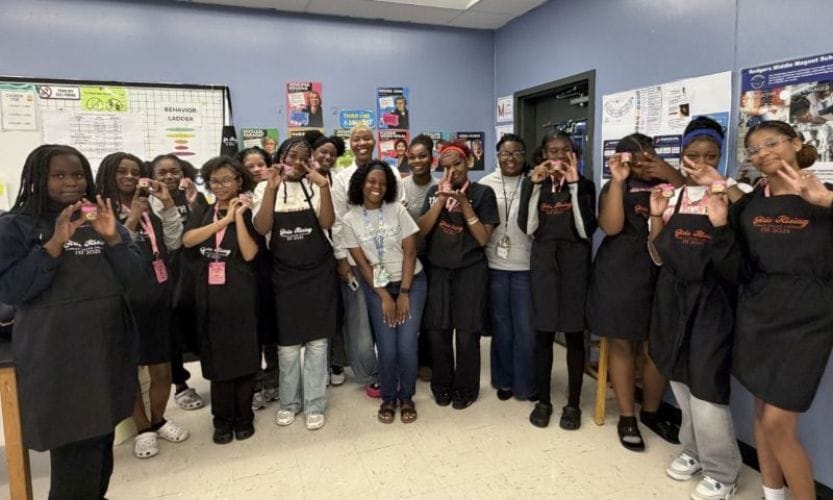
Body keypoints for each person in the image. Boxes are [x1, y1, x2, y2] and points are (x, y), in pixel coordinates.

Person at [0, 145, 144, 498]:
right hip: (58, 356)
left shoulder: (101, 218)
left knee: (102, 444)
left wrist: (113, 238)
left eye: (78, 174)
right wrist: (52, 246)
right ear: (37, 179)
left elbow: (136, 280)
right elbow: (12, 290)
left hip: (108, 347)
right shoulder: (15, 226)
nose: (71, 183)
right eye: (59, 175)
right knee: (74, 454)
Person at [730, 120, 833, 500]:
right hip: (759, 313)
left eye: (771, 143)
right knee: (761, 410)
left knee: (777, 420)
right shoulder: (750, 204)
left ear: (795, 143)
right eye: (754, 150)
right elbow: (739, 264)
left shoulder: (824, 194)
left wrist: (825, 202)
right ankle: (773, 493)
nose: (763, 153)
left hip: (809, 318)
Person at [646, 117, 746, 499]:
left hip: (713, 301)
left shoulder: (736, 195)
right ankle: (694, 450)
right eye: (692, 155)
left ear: (720, 156)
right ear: (681, 155)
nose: (701, 162)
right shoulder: (671, 197)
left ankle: (724, 469)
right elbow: (657, 254)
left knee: (706, 389)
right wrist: (656, 216)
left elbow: (739, 258)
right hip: (672, 297)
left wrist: (721, 188)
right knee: (679, 381)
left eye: (710, 156)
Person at [588, 133, 684, 451]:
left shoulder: (668, 182)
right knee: (622, 343)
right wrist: (618, 181)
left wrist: (664, 169)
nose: (643, 163)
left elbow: (693, 194)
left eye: (649, 156)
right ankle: (627, 416)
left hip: (663, 272)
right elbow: (611, 227)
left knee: (658, 346)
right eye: (635, 158)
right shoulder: (616, 186)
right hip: (620, 273)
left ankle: (651, 413)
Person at [96, 153, 190, 459]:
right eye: (122, 171)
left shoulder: (152, 208)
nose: (130, 176)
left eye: (136, 172)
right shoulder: (99, 210)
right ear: (109, 174)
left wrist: (167, 205)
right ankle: (142, 428)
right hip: (124, 301)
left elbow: (174, 242)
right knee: (133, 371)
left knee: (162, 368)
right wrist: (133, 215)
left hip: (157, 297)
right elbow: (110, 250)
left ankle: (159, 418)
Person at [253, 137, 336, 430]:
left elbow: (326, 223)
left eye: (303, 158)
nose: (296, 163)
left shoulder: (316, 184)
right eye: (291, 156)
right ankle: (290, 402)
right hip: (284, 275)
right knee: (287, 346)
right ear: (280, 157)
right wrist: (272, 190)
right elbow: (262, 227)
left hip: (317, 273)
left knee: (317, 343)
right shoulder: (265, 187)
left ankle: (315, 403)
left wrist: (324, 186)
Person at [518, 132, 597, 429]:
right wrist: (536, 187)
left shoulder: (585, 185)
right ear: (543, 154)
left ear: (574, 153)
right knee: (544, 334)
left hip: (575, 264)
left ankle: (573, 403)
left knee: (575, 335)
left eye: (566, 149)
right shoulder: (533, 182)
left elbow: (586, 229)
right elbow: (528, 226)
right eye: (553, 150)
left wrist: (574, 186)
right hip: (543, 264)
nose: (560, 155)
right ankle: (544, 400)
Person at [182, 156, 260, 444]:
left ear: (239, 181)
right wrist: (223, 221)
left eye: (227, 179)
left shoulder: (250, 210)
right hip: (210, 295)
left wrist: (237, 218)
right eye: (215, 180)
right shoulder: (204, 209)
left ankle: (244, 418)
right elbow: (188, 240)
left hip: (240, 293)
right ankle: (222, 420)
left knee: (244, 355)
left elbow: (250, 253)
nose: (221, 185)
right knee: (217, 359)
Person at [342, 161, 427, 423]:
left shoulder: (397, 211)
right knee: (387, 347)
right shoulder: (349, 219)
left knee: (407, 345)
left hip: (411, 282)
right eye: (371, 181)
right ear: (360, 184)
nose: (377, 186)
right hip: (377, 287)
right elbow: (363, 264)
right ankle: (389, 398)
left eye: (382, 182)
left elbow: (410, 252)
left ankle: (407, 397)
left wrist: (403, 292)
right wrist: (384, 296)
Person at [418, 142, 499, 409]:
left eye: (458, 164)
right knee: (438, 332)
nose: (452, 171)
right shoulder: (433, 192)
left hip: (470, 271)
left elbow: (482, 238)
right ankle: (441, 385)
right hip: (438, 270)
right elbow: (422, 232)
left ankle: (465, 388)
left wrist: (464, 203)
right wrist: (441, 199)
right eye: (446, 167)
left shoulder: (483, 193)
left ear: (469, 164)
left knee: (466, 334)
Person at [332, 125, 401, 397]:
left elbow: (399, 212)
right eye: (356, 138)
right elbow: (337, 221)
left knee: (390, 319)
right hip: (356, 261)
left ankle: (391, 368)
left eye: (366, 137)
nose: (362, 142)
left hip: (388, 260)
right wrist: (341, 258)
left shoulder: (391, 171)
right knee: (360, 325)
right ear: (351, 144)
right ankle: (370, 372)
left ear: (374, 142)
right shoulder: (341, 178)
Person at [479, 134, 536, 404]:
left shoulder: (534, 182)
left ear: (525, 155)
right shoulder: (485, 184)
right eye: (505, 153)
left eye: (516, 153)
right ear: (497, 156)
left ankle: (525, 383)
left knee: (525, 329)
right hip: (495, 266)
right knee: (502, 327)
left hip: (526, 267)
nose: (510, 158)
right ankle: (503, 380)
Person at [150, 154, 208, 412]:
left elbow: (209, 225)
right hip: (167, 272)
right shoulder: (149, 201)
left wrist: (197, 204)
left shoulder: (194, 195)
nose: (169, 177)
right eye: (162, 172)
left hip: (198, 268)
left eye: (174, 171)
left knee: (204, 324)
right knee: (171, 330)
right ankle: (181, 385)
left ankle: (217, 375)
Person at [237, 147, 280, 410]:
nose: (255, 169)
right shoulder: (235, 195)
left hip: (272, 264)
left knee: (272, 327)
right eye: (249, 165)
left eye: (259, 164)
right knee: (250, 327)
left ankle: (274, 379)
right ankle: (251, 382)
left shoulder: (277, 189)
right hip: (244, 268)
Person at [310, 134, 350, 386]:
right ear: (313, 152)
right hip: (309, 252)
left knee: (336, 310)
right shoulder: (302, 178)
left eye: (332, 153)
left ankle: (337, 362)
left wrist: (341, 257)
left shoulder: (339, 180)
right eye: (322, 151)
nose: (327, 157)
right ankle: (319, 366)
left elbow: (339, 219)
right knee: (317, 312)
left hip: (335, 250)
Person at [403, 134, 438, 381]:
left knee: (430, 313)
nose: (417, 161)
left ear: (431, 158)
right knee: (409, 314)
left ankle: (427, 360)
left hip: (433, 256)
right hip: (406, 258)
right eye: (412, 157)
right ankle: (408, 361)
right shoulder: (399, 186)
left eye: (422, 156)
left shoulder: (440, 186)